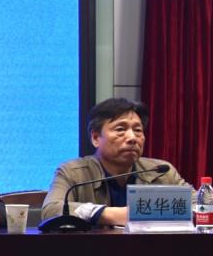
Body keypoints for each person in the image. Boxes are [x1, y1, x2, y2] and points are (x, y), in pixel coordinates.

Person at [41, 97, 189, 226]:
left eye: (138, 130)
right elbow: (51, 210)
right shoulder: (73, 172)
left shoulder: (161, 171)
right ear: (95, 138)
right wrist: (111, 214)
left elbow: (199, 206)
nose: (132, 138)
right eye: (120, 129)